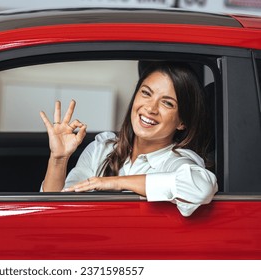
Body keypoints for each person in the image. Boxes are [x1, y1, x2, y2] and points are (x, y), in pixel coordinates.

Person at [39, 61, 218, 216]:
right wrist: (58, 159)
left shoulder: (177, 162)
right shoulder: (103, 148)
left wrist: (113, 183)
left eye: (167, 103)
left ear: (182, 122)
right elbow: (57, 206)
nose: (150, 108)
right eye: (146, 93)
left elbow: (201, 189)